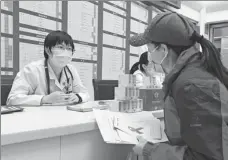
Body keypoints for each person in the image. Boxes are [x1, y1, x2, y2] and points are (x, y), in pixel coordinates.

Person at [129, 12, 228, 160]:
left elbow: (208, 157)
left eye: (150, 51)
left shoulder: (193, 86)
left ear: (163, 49)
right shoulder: (193, 73)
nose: (150, 58)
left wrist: (149, 151)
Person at [7, 30, 90, 106]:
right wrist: (44, 99)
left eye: (69, 49)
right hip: (37, 118)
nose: (65, 52)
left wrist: (78, 97)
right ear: (48, 50)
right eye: (60, 47)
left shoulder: (71, 70)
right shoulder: (32, 70)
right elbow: (12, 99)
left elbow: (85, 94)